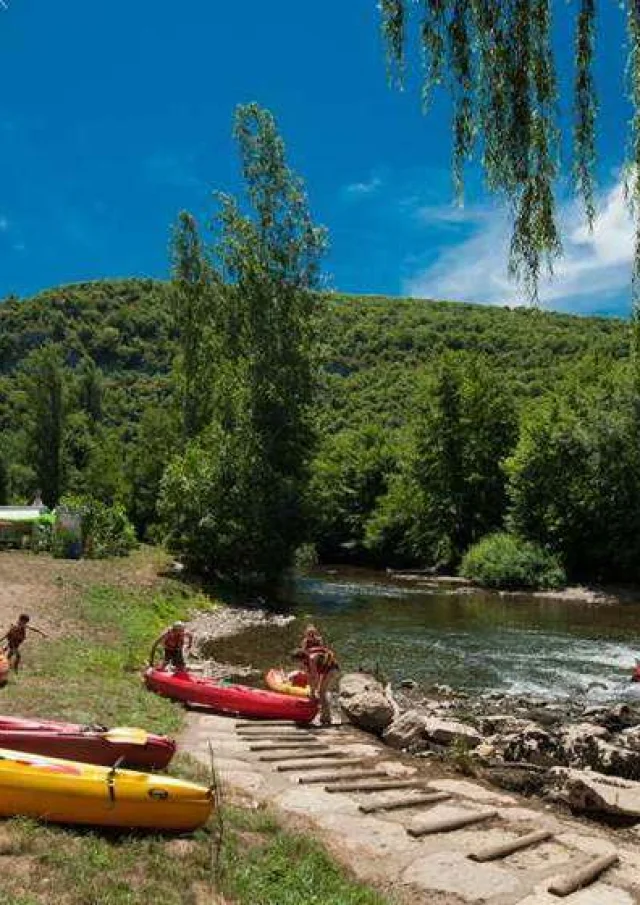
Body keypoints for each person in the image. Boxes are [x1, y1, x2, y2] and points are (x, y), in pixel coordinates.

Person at [293, 626, 339, 725]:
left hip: (331, 669)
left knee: (321, 692)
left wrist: (313, 692)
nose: (298, 665)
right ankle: (324, 717)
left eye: (298, 662)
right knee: (320, 692)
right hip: (326, 669)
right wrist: (312, 691)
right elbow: (311, 675)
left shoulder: (312, 659)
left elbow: (315, 676)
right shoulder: (307, 657)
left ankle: (327, 718)